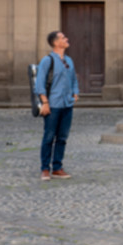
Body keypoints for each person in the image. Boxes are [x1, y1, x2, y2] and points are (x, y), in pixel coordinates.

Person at [35, 31, 79, 181]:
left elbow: (74, 79)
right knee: (49, 137)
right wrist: (45, 102)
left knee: (62, 137)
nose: (66, 39)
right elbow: (39, 83)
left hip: (67, 104)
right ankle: (45, 169)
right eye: (63, 38)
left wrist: (75, 92)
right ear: (55, 42)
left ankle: (57, 167)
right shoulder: (47, 60)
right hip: (52, 105)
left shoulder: (69, 60)